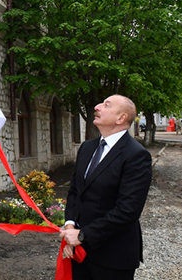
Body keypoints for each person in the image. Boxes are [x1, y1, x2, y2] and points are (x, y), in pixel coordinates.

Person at [60, 95, 152, 280]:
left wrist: (83, 235)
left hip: (113, 256)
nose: (97, 106)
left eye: (106, 105)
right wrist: (70, 225)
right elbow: (75, 191)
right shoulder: (87, 148)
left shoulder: (136, 155)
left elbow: (128, 211)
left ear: (121, 118)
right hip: (78, 251)